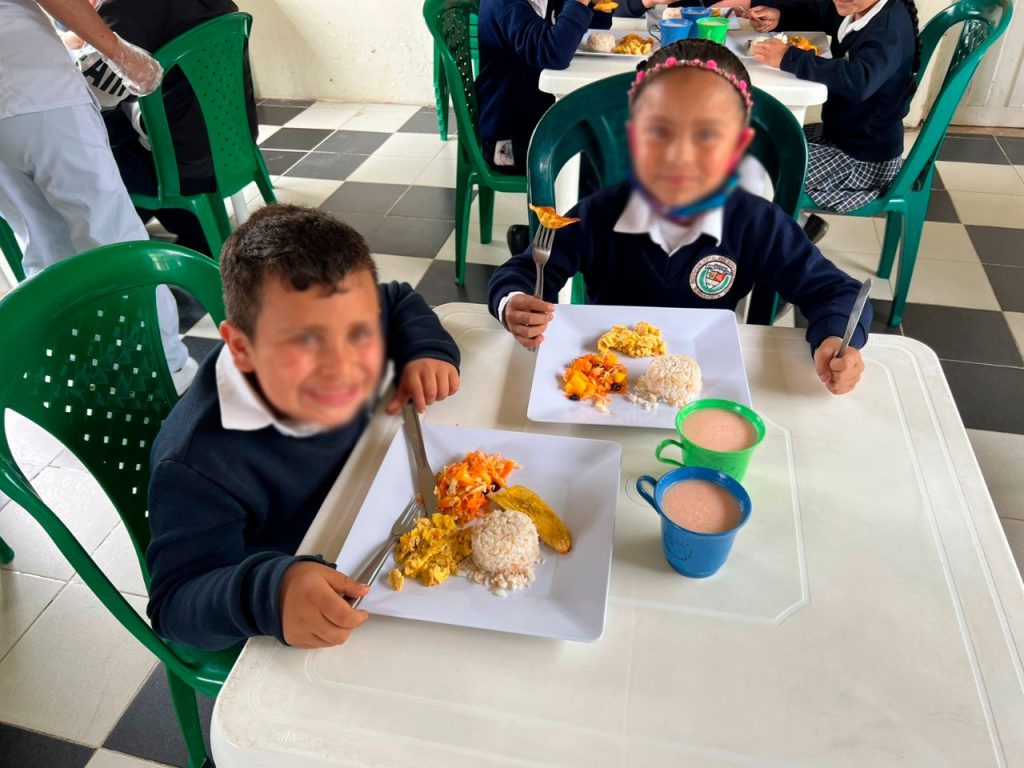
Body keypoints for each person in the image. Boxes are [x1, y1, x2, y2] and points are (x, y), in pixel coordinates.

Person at [145, 204, 461, 651]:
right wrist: (270, 593)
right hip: (307, 596)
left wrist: (426, 350)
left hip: (371, 496)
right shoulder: (199, 465)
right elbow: (175, 605)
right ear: (242, 348)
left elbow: (397, 300)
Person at [487, 39, 870, 396]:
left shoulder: (757, 223)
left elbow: (837, 292)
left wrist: (835, 339)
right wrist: (514, 302)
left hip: (706, 386)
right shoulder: (598, 214)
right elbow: (523, 271)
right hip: (605, 384)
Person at [0, 0, 194, 388]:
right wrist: (121, 54)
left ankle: (84, 370)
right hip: (36, 90)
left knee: (43, 245)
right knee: (112, 238)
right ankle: (163, 369)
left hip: (18, 102)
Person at [65, 0, 259, 257]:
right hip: (234, 142)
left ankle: (123, 242)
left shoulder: (122, 10)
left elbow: (96, 96)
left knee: (82, 132)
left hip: (186, 166)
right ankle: (192, 230)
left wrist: (87, 34)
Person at [746, 0, 919, 225]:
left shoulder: (889, 29)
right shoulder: (857, 8)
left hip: (862, 161)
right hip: (839, 136)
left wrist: (789, 57)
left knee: (754, 164)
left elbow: (860, 80)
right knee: (759, 139)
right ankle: (797, 222)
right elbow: (819, 12)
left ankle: (795, 230)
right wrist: (781, 15)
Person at [477, 0, 615, 177]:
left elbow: (584, 31)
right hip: (509, 143)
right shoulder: (505, 4)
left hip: (541, 122)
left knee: (613, 137)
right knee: (607, 157)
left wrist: (598, 5)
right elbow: (553, 53)